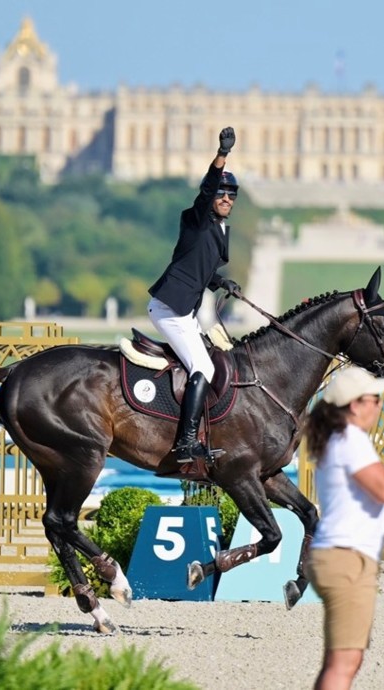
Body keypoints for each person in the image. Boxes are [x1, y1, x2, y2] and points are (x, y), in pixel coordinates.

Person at [303, 365, 384, 690]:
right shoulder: (351, 440)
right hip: (347, 557)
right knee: (344, 662)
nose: (380, 405)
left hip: (339, 556)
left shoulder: (340, 438)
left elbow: (380, 492)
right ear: (356, 403)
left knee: (343, 659)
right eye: (375, 399)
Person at [148, 126, 240, 462]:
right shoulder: (199, 218)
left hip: (183, 309)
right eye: (222, 195)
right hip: (171, 307)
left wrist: (219, 282)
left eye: (231, 196)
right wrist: (222, 154)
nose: (226, 199)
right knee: (202, 365)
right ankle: (185, 442)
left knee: (213, 358)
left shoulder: (217, 229)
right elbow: (206, 190)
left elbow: (196, 265)